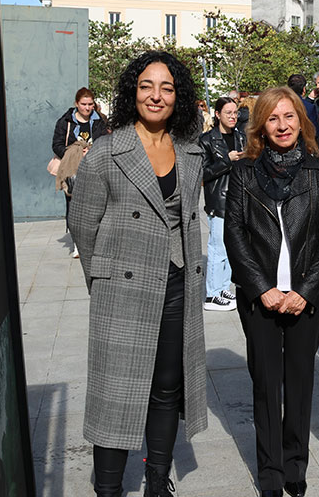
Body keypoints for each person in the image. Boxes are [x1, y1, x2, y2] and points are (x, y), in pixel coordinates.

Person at [69, 51, 209, 497]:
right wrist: (103, 278)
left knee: (166, 388)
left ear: (178, 97)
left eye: (167, 88)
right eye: (147, 85)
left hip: (176, 285)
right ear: (134, 91)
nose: (156, 95)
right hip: (123, 289)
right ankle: (108, 490)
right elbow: (82, 223)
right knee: (116, 392)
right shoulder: (108, 151)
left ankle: (156, 481)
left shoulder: (190, 151)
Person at [223, 86, 319, 497]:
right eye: (273, 118)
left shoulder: (318, 173)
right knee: (266, 385)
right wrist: (261, 288)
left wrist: (306, 290)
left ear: (301, 122)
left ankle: (295, 466)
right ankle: (270, 473)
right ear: (261, 126)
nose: (282, 125)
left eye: (289, 116)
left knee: (301, 381)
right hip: (262, 300)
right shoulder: (243, 173)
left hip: (306, 297)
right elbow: (233, 234)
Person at [199, 96, 245, 312]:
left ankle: (223, 286)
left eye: (235, 113)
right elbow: (203, 173)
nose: (233, 117)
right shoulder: (207, 140)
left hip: (238, 198)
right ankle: (212, 294)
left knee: (231, 247)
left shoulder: (240, 136)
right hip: (219, 199)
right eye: (228, 113)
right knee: (217, 248)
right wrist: (227, 160)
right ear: (217, 115)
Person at [52, 87, 110, 256]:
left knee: (97, 204)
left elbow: (107, 142)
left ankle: (96, 240)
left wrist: (92, 151)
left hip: (95, 168)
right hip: (73, 169)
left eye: (90, 104)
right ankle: (78, 243)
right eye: (83, 104)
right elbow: (56, 145)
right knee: (74, 204)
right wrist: (75, 153)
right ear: (76, 104)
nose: (87, 108)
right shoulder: (65, 122)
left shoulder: (100, 121)